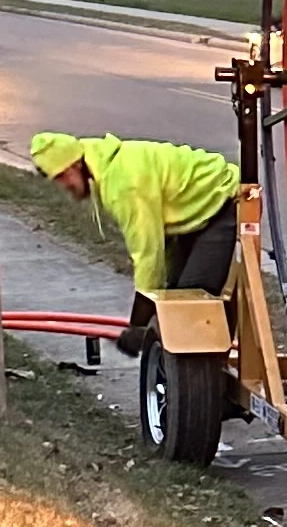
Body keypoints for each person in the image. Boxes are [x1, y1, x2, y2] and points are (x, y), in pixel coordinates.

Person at [30, 130, 243, 358]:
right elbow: (160, 244)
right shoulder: (105, 167)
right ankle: (196, 373)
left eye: (62, 177)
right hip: (193, 214)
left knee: (190, 306)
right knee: (173, 300)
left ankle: (208, 376)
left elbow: (147, 253)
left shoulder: (123, 184)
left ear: (74, 164)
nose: (64, 186)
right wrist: (161, 294)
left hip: (221, 199)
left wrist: (138, 325)